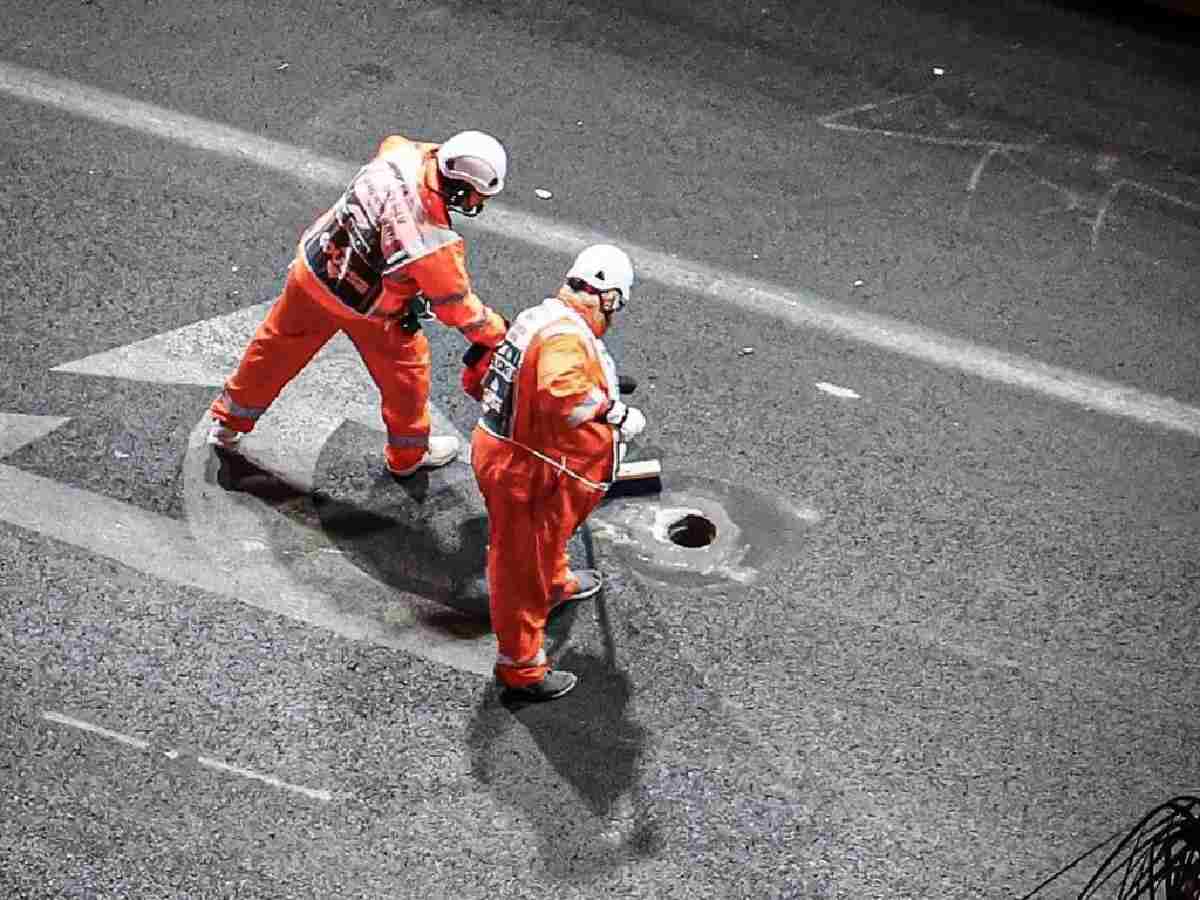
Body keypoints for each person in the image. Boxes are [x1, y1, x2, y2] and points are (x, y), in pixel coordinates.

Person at [207, 130, 510, 477]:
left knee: (272, 351)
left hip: (314, 273)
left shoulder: (401, 155)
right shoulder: (432, 242)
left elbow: (398, 143)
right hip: (369, 310)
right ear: (457, 188)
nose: (476, 204)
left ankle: (227, 425)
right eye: (475, 196)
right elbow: (456, 308)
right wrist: (498, 333)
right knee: (406, 381)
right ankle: (407, 457)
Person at [466, 244, 646, 702]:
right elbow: (559, 392)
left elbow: (503, 374)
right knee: (519, 568)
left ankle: (556, 584)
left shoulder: (543, 317)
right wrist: (612, 411)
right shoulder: (565, 338)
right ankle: (521, 669)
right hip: (525, 471)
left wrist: (603, 381)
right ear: (608, 297)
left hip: (520, 460)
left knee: (544, 541)